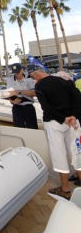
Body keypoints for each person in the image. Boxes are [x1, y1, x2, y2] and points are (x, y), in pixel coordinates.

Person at [28, 64, 81, 200]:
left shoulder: (40, 86)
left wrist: (63, 119)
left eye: (32, 76)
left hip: (55, 123)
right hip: (73, 122)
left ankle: (65, 189)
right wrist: (73, 116)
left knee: (59, 154)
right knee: (76, 151)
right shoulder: (65, 81)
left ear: (35, 74)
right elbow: (77, 99)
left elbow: (46, 107)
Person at [5, 63, 38, 129]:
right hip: (17, 108)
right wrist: (12, 101)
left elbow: (34, 93)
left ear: (22, 70)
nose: (16, 75)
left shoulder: (29, 79)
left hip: (28, 107)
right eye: (15, 73)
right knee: (18, 129)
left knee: (32, 129)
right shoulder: (10, 80)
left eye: (17, 72)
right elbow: (9, 93)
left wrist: (19, 92)